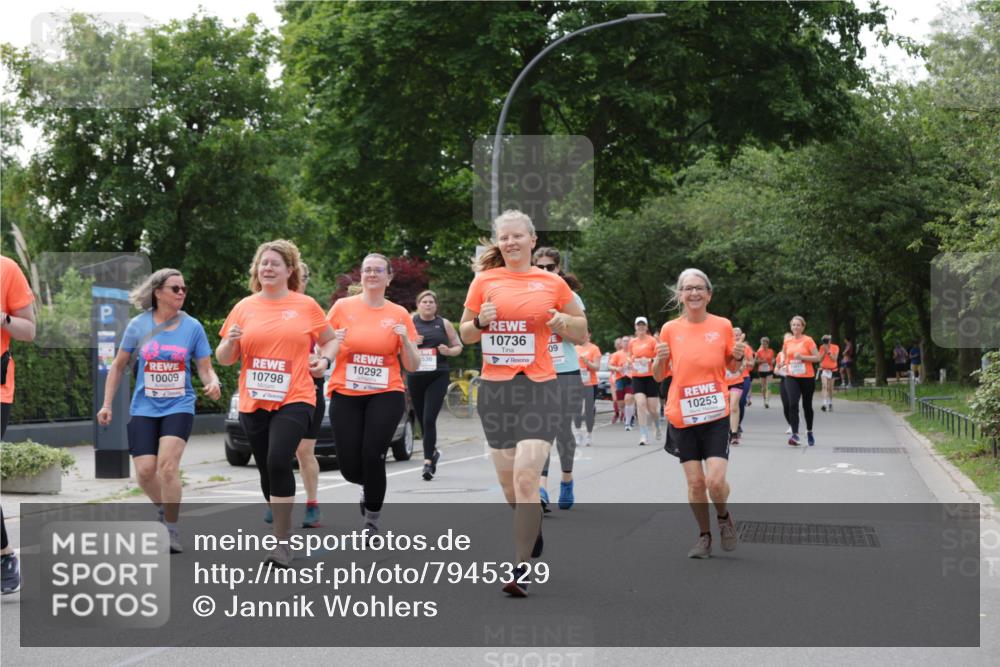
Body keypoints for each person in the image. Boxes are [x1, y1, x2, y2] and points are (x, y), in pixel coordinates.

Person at [459, 210, 586, 596]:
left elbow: (581, 332)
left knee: (527, 476)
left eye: (518, 236)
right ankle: (533, 532)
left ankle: (520, 568)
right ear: (498, 243)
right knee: (509, 485)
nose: (511, 242)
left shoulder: (552, 283)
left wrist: (560, 322)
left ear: (532, 240)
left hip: (539, 387)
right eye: (504, 237)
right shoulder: (483, 281)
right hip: (497, 390)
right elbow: (465, 335)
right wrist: (480, 321)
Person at [217, 240, 338, 567]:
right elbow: (225, 358)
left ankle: (282, 544)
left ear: (289, 270)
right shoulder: (244, 307)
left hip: (296, 396)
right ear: (256, 270)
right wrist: (230, 341)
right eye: (263, 263)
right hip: (253, 399)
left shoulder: (306, 305)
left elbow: (330, 340)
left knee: (278, 458)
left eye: (274, 263)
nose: (267, 268)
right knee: (268, 471)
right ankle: (281, 518)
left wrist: (324, 362)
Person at [97, 269, 221, 553]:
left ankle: (172, 530)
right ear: (157, 292)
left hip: (179, 404)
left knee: (167, 467)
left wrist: (213, 382)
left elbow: (204, 367)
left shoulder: (193, 327)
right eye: (175, 288)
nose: (181, 293)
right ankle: (165, 511)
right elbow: (118, 366)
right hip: (144, 406)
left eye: (184, 289)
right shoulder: (137, 325)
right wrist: (106, 404)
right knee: (144, 472)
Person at [326, 253, 421, 535]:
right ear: (361, 276)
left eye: (378, 270)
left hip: (385, 392)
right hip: (346, 391)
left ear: (388, 277)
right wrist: (332, 343)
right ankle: (367, 487)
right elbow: (320, 348)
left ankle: (371, 520)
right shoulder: (342, 307)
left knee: (373, 454)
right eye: (367, 270)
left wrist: (405, 339)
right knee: (349, 467)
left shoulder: (399, 314)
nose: (372, 274)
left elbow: (412, 365)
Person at [653, 268, 744, 559]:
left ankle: (723, 517)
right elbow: (658, 375)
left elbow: (731, 367)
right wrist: (659, 359)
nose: (693, 293)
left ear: (709, 294)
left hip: (715, 414)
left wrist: (738, 356)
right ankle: (704, 536)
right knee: (695, 483)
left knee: (715, 482)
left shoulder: (723, 325)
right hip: (682, 414)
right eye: (687, 288)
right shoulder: (669, 329)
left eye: (699, 288)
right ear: (679, 295)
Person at [533, 247, 586, 512]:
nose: (544, 272)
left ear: (558, 269)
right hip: (537, 371)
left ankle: (566, 480)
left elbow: (582, 338)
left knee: (563, 430)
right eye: (539, 267)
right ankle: (541, 488)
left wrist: (561, 326)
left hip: (565, 369)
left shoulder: (570, 296)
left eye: (549, 267)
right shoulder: (527, 296)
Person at [1, 254, 36, 595]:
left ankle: (3, 557)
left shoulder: (6, 269)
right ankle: (4, 554)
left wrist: (1, 318)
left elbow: (28, 330)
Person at [408, 289, 462, 481]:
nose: (428, 304)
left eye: (431, 302)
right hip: (415, 375)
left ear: (436, 305)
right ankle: (433, 452)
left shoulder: (444, 323)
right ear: (418, 305)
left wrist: (449, 351)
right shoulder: (410, 321)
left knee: (429, 418)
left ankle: (428, 462)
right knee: (422, 420)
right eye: (424, 302)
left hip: (438, 375)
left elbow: (458, 346)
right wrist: (411, 341)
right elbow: (398, 345)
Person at [782, 316, 821, 446]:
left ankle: (809, 431)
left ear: (803, 327)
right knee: (792, 403)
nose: (795, 327)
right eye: (793, 325)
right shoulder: (787, 341)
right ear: (790, 327)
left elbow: (817, 358)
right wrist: (783, 362)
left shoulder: (808, 340)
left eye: (798, 325)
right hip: (791, 376)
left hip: (807, 377)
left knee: (807, 406)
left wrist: (803, 357)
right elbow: (784, 354)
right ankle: (795, 434)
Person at [628, 317, 661, 445]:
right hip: (637, 377)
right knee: (640, 403)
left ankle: (657, 425)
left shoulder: (652, 341)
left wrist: (649, 360)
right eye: (638, 325)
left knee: (653, 409)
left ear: (646, 327)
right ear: (635, 327)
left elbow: (658, 356)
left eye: (643, 325)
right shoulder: (632, 342)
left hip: (651, 376)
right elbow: (630, 356)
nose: (641, 327)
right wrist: (633, 360)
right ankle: (643, 434)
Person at [575, 331, 601, 447]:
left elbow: (597, 367)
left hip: (591, 383)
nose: (583, 335)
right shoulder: (574, 348)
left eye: (585, 333)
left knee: (588, 410)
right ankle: (578, 433)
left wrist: (587, 362)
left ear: (589, 335)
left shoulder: (594, 349)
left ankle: (589, 434)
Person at [611, 336, 636, 430]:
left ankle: (628, 421)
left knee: (628, 398)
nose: (626, 343)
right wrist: (617, 368)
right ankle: (628, 415)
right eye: (624, 341)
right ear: (621, 343)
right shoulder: (617, 354)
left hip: (631, 378)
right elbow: (610, 366)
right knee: (621, 403)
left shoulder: (634, 353)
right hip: (620, 378)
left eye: (628, 341)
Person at [818, 334, 840, 412]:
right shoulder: (821, 347)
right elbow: (819, 359)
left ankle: (830, 403)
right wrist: (824, 351)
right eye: (825, 341)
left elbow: (834, 359)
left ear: (830, 340)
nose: (826, 342)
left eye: (827, 340)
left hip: (832, 370)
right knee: (824, 386)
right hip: (823, 369)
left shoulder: (835, 347)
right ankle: (824, 404)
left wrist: (828, 352)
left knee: (830, 388)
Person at [755, 337, 775, 408]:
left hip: (769, 370)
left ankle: (767, 401)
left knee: (768, 386)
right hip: (761, 370)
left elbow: (773, 359)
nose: (764, 345)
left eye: (765, 344)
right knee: (763, 387)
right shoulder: (759, 352)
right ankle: (764, 399)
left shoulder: (771, 351)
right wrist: (762, 361)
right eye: (762, 344)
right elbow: (755, 361)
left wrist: (773, 361)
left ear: (767, 344)